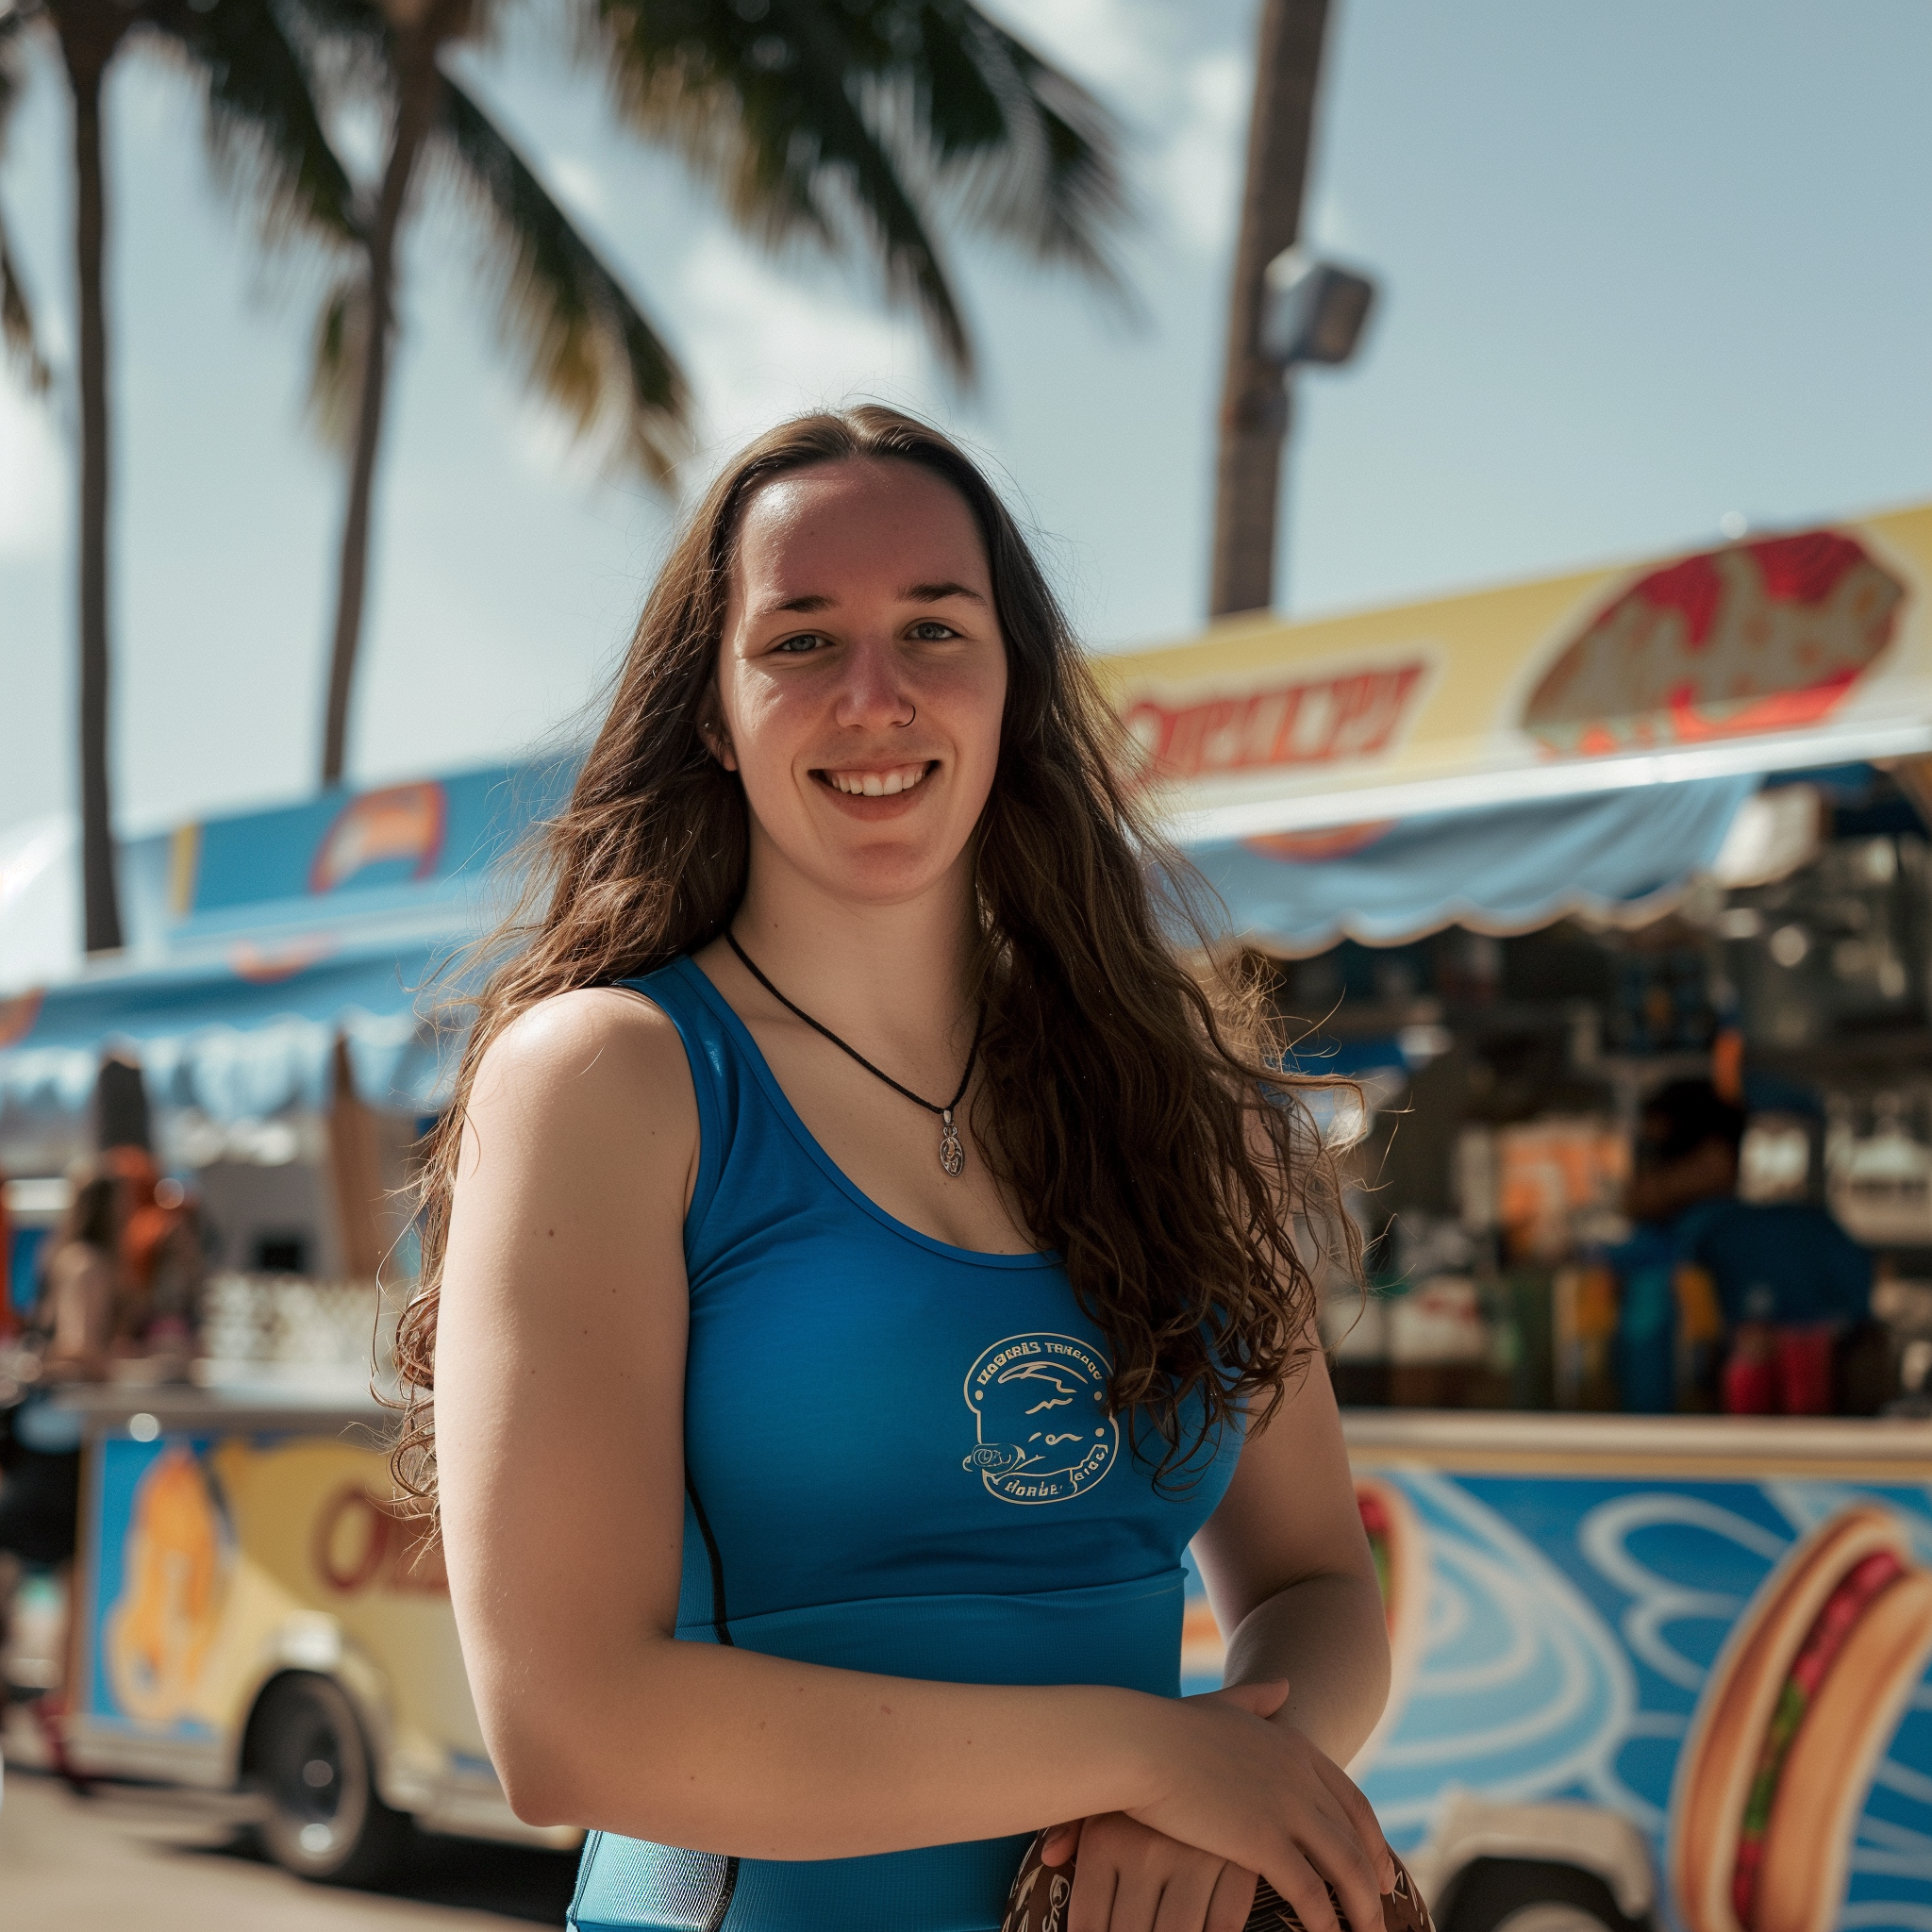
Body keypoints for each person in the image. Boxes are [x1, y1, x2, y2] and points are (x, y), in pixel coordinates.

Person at [406, 408, 1395, 1932]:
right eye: (801, 642)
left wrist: (1248, 1768)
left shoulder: (1176, 1111)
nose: (874, 696)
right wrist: (1155, 1756)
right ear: (717, 712)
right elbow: (567, 1728)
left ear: (1011, 692)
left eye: (935, 629)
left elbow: (1318, 1586)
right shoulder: (612, 1078)